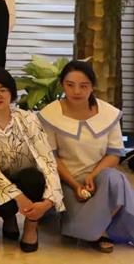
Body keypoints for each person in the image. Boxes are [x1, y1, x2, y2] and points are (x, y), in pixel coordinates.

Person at [38, 60, 134, 253]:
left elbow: (114, 154)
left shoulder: (108, 114)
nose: (77, 91)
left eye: (84, 86)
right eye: (70, 85)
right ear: (62, 84)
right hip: (66, 181)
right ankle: (92, 229)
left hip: (99, 177)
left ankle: (99, 232)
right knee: (78, 223)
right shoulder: (50, 115)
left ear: (92, 86)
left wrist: (93, 176)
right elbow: (51, 157)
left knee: (116, 179)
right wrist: (75, 185)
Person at [0, 68, 64, 253]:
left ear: (11, 93)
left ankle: (31, 226)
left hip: (28, 182)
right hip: (0, 185)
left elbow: (48, 161)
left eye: (2, 90)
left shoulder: (28, 119)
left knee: (33, 177)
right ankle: (8, 218)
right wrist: (19, 198)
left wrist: (49, 202)